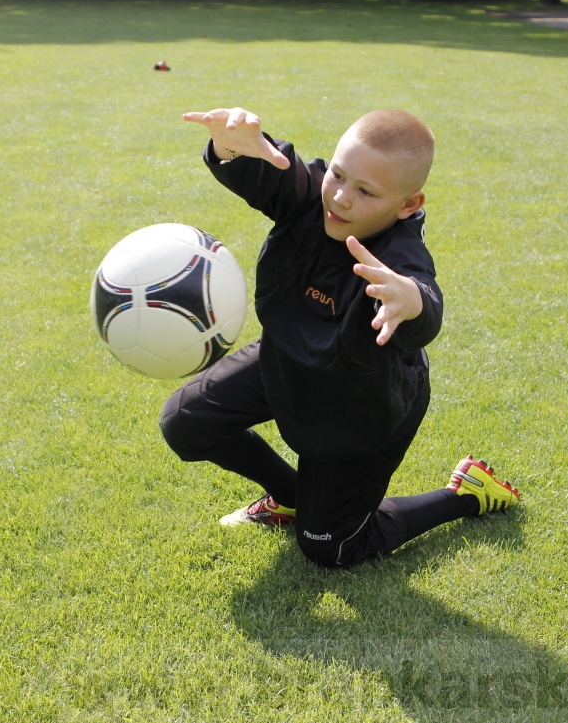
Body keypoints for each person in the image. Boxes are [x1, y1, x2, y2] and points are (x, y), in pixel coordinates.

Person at [159, 107, 521, 569]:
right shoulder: (314, 194)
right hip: (286, 364)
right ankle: (291, 497)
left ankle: (465, 494)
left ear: (408, 204)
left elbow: (422, 300)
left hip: (359, 404)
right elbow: (268, 169)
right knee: (186, 422)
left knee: (330, 548)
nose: (341, 198)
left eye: (366, 191)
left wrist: (408, 299)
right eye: (339, 175)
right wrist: (229, 145)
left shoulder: (398, 257)